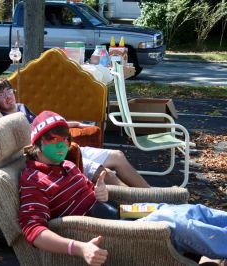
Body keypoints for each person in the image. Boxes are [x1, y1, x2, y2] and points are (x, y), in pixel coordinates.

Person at [19, 111, 227, 265]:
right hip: (107, 229)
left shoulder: (68, 164)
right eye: (52, 138)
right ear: (37, 142)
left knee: (190, 210)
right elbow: (33, 231)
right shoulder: (33, 180)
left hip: (121, 212)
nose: (62, 144)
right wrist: (79, 248)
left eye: (66, 138)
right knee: (177, 223)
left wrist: (99, 192)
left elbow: (90, 193)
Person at [0, 79, 150, 188]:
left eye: (8, 90)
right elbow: (23, 144)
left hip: (64, 145)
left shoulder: (21, 107)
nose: (7, 96)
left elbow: (45, 125)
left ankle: (153, 194)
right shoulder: (3, 120)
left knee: (118, 155)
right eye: (0, 94)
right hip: (54, 155)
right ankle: (141, 205)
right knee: (107, 173)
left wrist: (73, 123)